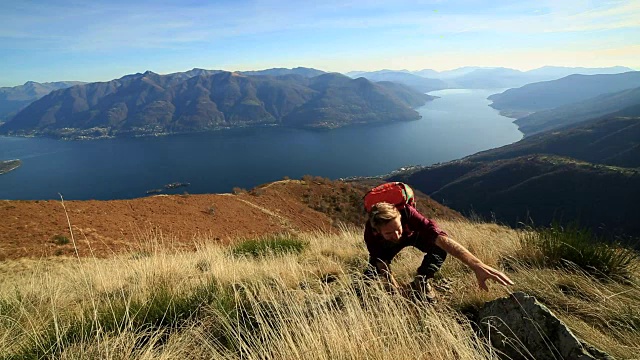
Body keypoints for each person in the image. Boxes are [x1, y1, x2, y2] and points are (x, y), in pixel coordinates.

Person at [364, 202, 513, 301]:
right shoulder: (371, 235)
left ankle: (422, 280)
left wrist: (477, 265)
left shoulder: (409, 213)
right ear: (378, 231)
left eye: (398, 229)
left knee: (440, 248)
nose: (396, 235)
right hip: (386, 247)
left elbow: (441, 238)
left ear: (401, 218)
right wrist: (396, 290)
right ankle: (357, 292)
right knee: (371, 274)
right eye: (389, 233)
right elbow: (382, 262)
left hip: (413, 236)